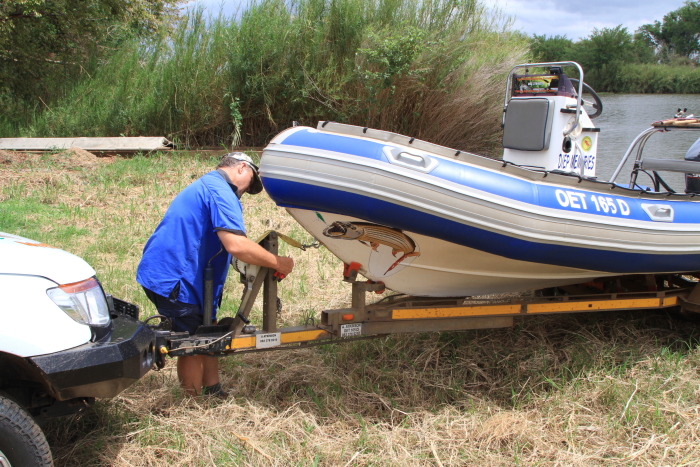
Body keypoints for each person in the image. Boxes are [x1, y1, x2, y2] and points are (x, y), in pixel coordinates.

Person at [136, 153, 294, 397]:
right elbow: (236, 245)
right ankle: (193, 404)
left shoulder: (209, 184)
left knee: (205, 332)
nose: (245, 191)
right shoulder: (221, 191)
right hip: (177, 277)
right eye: (250, 182)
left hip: (185, 275)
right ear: (242, 167)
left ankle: (213, 390)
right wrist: (278, 262)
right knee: (192, 344)